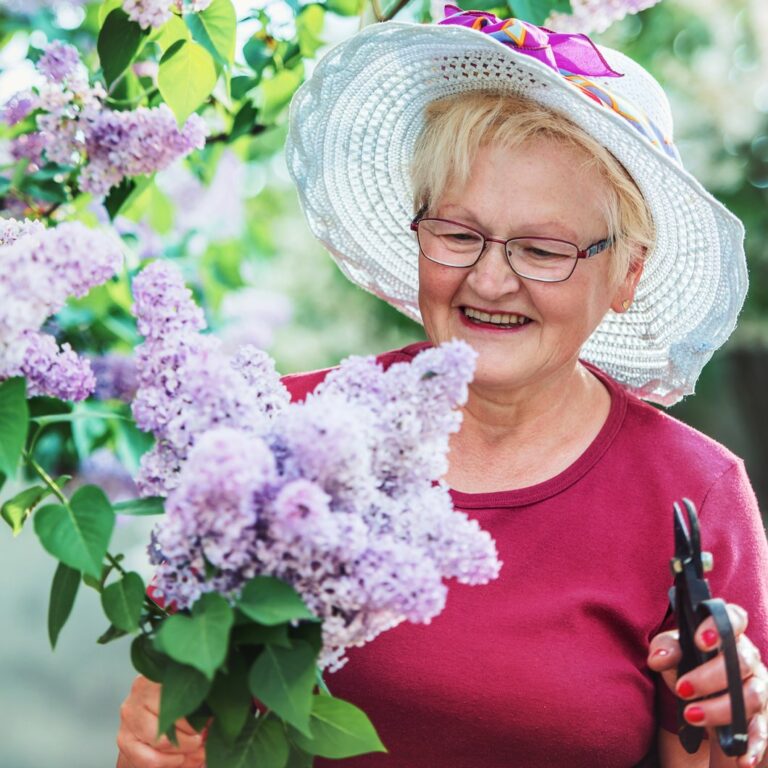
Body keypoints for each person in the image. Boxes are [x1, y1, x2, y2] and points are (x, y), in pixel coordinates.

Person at [116, 6, 768, 767]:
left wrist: (732, 748)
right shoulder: (281, 432)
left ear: (626, 274)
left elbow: (706, 752)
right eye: (459, 233)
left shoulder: (692, 494)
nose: (490, 279)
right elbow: (177, 721)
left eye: (542, 248)